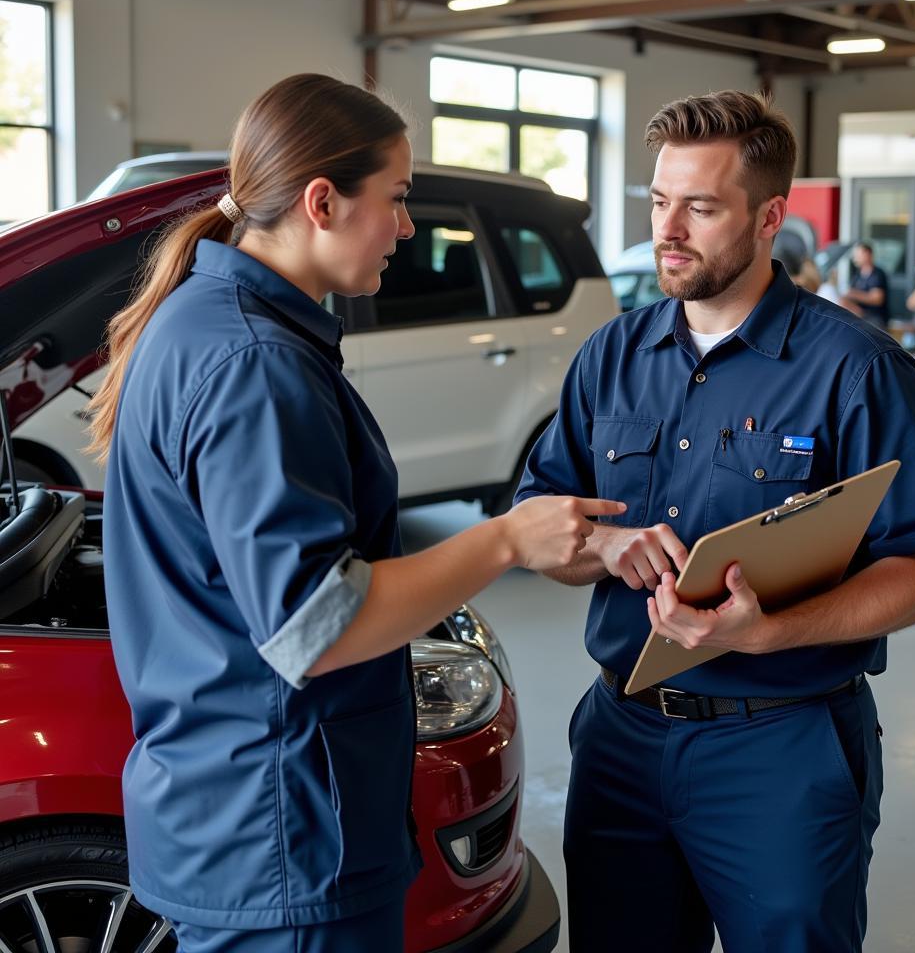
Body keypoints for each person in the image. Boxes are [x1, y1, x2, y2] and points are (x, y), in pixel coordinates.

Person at [87, 74, 623, 953]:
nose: (409, 228)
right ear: (322, 201)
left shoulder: (200, 322)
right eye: (399, 199)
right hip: (283, 838)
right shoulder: (254, 363)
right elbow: (317, 626)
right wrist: (505, 539)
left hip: (231, 812)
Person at [514, 90, 915, 953]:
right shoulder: (611, 357)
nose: (670, 228)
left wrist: (772, 633)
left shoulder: (856, 370)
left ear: (769, 218)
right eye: (658, 202)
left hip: (781, 746)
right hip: (621, 734)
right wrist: (606, 546)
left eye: (700, 206)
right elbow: (538, 520)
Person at [843, 241, 889, 327]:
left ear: (867, 254)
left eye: (858, 255)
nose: (855, 258)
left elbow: (877, 299)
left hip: (875, 319)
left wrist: (853, 294)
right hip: (859, 317)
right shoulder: (857, 275)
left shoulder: (877, 274)